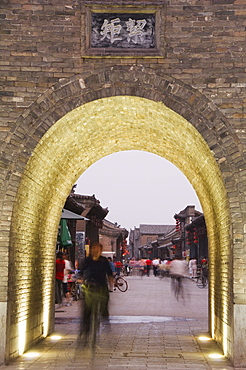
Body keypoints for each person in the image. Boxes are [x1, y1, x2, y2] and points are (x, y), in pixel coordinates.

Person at [79, 242, 113, 341]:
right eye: (94, 249)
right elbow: (80, 271)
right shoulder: (86, 260)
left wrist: (111, 279)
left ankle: (104, 315)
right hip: (89, 285)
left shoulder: (103, 261)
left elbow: (109, 273)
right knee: (87, 309)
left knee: (104, 300)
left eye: (98, 249)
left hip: (101, 285)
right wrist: (79, 278)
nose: (96, 251)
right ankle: (85, 330)